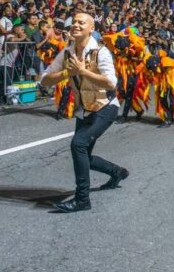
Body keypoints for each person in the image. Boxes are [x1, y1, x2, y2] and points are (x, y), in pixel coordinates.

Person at [41, 12, 127, 213]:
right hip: (84, 109)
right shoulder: (67, 53)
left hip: (105, 107)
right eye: (74, 22)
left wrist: (82, 71)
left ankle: (82, 200)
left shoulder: (101, 52)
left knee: (78, 144)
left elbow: (111, 82)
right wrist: (66, 73)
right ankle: (117, 172)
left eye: (82, 22)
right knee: (84, 156)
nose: (76, 25)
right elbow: (44, 79)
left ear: (91, 29)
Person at [103, 28, 148, 124]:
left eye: (128, 34)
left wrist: (130, 55)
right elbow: (116, 56)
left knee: (128, 95)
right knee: (122, 92)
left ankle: (124, 116)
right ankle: (139, 110)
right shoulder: (120, 45)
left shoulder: (138, 46)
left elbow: (140, 60)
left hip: (131, 74)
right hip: (120, 74)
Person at [140, 50, 174, 128]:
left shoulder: (166, 63)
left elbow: (170, 77)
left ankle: (169, 119)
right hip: (164, 78)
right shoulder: (151, 61)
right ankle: (169, 118)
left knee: (171, 98)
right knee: (162, 98)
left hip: (172, 79)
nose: (153, 72)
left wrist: (164, 84)